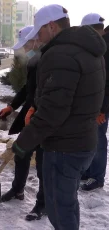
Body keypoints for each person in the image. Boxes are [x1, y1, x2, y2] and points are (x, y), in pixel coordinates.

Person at [11, 4, 106, 230]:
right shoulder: (89, 49)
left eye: (40, 32)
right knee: (68, 202)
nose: (40, 39)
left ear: (52, 26)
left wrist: (24, 142)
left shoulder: (60, 54)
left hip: (64, 146)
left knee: (59, 209)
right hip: (84, 141)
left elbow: (54, 111)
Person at [0, 25, 45, 221]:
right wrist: (12, 106)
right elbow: (29, 87)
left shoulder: (50, 58)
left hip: (44, 117)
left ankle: (43, 204)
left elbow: (50, 90)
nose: (24, 50)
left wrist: (36, 108)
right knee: (21, 152)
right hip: (31, 115)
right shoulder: (35, 60)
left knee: (43, 162)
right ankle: (17, 190)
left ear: (35, 40)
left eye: (26, 45)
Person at [80, 13, 109, 191]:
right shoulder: (99, 45)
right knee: (92, 137)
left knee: (98, 138)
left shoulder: (105, 47)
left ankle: (97, 176)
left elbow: (106, 82)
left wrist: (102, 110)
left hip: (102, 105)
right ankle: (90, 171)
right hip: (96, 103)